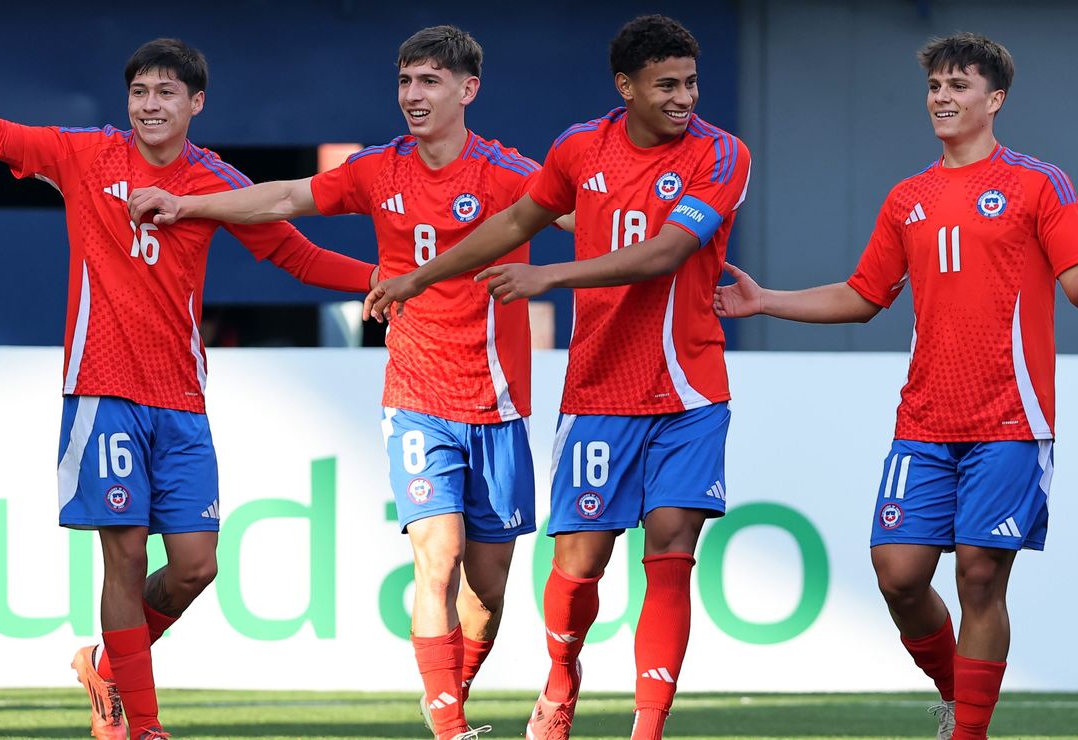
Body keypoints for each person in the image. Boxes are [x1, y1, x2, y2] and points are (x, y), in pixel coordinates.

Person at [0, 29, 377, 740]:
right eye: (138, 92)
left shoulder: (218, 181)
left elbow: (297, 256)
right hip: (102, 390)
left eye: (165, 92)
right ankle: (143, 724)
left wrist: (388, 280)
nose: (149, 104)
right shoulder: (87, 155)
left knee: (194, 567)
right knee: (125, 555)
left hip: (181, 400)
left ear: (196, 103)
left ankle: (106, 665)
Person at [127, 26, 546, 740]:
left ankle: (449, 689)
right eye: (405, 81)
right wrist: (188, 204)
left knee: (488, 591)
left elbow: (594, 218)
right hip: (417, 398)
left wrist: (685, 250)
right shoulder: (379, 168)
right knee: (437, 557)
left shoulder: (510, 174)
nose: (412, 95)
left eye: (430, 81)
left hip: (499, 404)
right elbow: (285, 198)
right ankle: (450, 726)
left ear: (468, 90)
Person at [365, 15, 751, 740]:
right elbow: (516, 221)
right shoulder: (579, 148)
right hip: (599, 391)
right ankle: (561, 676)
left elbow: (666, 253)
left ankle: (647, 727)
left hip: (691, 391)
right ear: (626, 86)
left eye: (691, 83)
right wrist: (421, 275)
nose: (684, 98)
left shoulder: (723, 154)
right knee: (578, 568)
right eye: (667, 85)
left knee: (672, 552)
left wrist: (552, 275)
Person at [713, 33, 1078, 740]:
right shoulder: (908, 197)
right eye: (935, 86)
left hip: (1011, 420)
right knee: (898, 575)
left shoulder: (1040, 184)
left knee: (979, 577)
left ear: (995, 100)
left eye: (959, 86)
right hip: (924, 423)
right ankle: (958, 694)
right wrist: (765, 301)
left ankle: (967, 731)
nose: (942, 97)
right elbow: (862, 294)